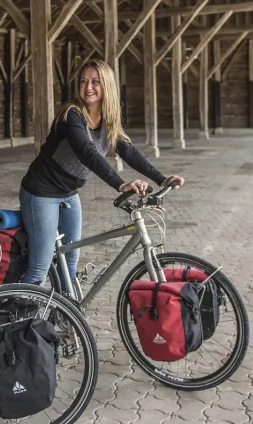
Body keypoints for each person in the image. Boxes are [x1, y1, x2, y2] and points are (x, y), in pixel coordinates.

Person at [19, 59, 184, 286]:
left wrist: (161, 178)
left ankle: (65, 317)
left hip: (68, 193)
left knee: (69, 263)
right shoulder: (71, 114)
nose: (88, 87)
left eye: (95, 82)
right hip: (41, 193)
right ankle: (18, 318)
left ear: (106, 85)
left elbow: (127, 149)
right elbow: (87, 152)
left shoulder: (108, 117)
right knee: (40, 268)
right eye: (84, 81)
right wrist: (120, 184)